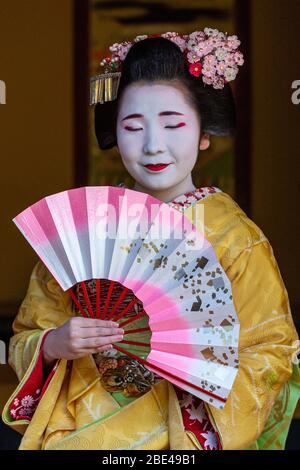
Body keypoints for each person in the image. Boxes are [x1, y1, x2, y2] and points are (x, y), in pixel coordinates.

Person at [2, 30, 300, 450]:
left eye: (173, 124)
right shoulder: (87, 230)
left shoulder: (235, 239)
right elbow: (27, 332)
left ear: (203, 133)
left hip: (183, 440)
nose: (152, 145)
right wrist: (54, 343)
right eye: (133, 126)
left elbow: (271, 350)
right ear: (115, 135)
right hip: (82, 433)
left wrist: (199, 396)